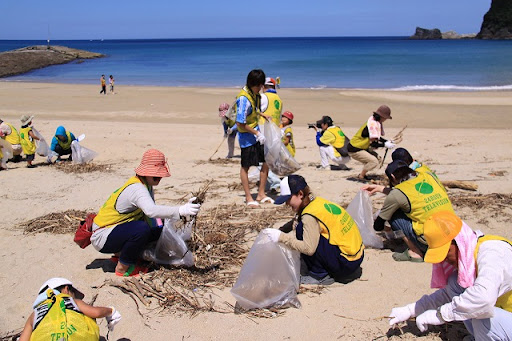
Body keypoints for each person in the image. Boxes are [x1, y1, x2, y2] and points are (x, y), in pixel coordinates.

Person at [388, 212, 512, 340]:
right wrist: (411, 310)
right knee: (455, 282)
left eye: (446, 252)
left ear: (458, 241)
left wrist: (440, 315)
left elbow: (483, 299)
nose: (446, 260)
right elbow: (449, 295)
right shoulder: (473, 255)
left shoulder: (493, 253)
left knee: (482, 317)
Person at [91, 149, 201, 277]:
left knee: (158, 228)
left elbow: (153, 215)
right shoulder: (137, 188)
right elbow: (151, 211)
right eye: (156, 174)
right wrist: (180, 210)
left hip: (115, 231)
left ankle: (124, 255)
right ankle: (122, 267)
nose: (159, 178)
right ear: (145, 172)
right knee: (140, 229)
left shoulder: (146, 185)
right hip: (102, 236)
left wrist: (181, 213)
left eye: (160, 175)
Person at [263, 174, 364, 285]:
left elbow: (308, 248)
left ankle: (319, 275)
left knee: (301, 229)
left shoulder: (309, 216)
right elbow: (299, 218)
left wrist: (281, 237)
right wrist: (282, 229)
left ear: (300, 194)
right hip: (355, 257)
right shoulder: (316, 202)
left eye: (288, 199)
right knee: (303, 226)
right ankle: (322, 267)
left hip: (345, 264)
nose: (287, 203)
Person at [365, 159, 456, 262]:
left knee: (395, 215)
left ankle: (415, 252)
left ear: (393, 177)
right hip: (453, 231)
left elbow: (378, 226)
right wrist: (380, 188)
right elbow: (412, 194)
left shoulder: (397, 194)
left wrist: (385, 226)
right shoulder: (427, 175)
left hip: (432, 242)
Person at [19, 277, 121, 340]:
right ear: (66, 289)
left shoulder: (34, 314)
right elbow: (96, 313)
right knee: (86, 317)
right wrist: (111, 311)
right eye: (74, 294)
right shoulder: (72, 301)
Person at [235, 69, 272, 207]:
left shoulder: (254, 95)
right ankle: (249, 197)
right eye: (260, 86)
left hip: (256, 133)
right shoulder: (243, 98)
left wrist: (263, 115)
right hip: (246, 136)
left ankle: (261, 194)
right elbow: (240, 122)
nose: (261, 89)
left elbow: (254, 110)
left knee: (266, 161)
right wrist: (257, 134)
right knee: (246, 166)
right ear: (255, 84)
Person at [347, 105, 396, 181]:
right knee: (373, 161)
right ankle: (361, 176)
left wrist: (386, 141)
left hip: (362, 147)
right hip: (354, 149)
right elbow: (373, 143)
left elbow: (377, 138)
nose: (385, 120)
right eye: (385, 118)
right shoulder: (371, 126)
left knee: (378, 159)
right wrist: (384, 145)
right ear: (382, 117)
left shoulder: (374, 123)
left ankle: (364, 173)